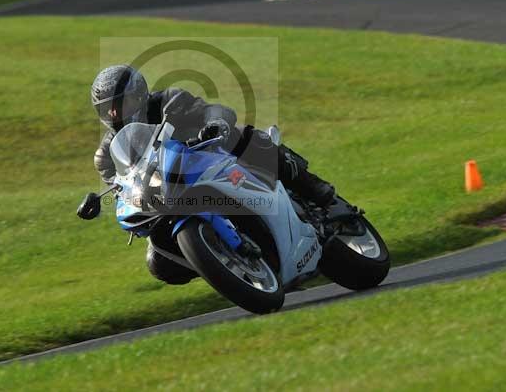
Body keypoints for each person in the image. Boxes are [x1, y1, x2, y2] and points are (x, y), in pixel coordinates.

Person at [81, 64, 336, 284]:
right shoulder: (106, 155)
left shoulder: (168, 100)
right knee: (158, 263)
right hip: (165, 196)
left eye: (120, 104)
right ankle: (220, 261)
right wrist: (116, 199)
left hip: (207, 159)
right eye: (107, 109)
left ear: (138, 95)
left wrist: (215, 124)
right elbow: (121, 187)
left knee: (248, 138)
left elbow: (209, 110)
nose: (114, 114)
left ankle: (314, 188)